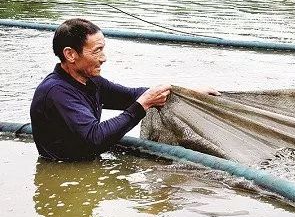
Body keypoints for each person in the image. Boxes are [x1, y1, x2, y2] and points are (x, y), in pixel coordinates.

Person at [30, 18, 216, 160]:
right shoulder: (56, 91)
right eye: (96, 51)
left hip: (86, 162)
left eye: (103, 50)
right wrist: (142, 106)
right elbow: (95, 137)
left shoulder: (91, 81)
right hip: (63, 172)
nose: (103, 58)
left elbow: (131, 96)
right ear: (70, 54)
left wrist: (191, 93)